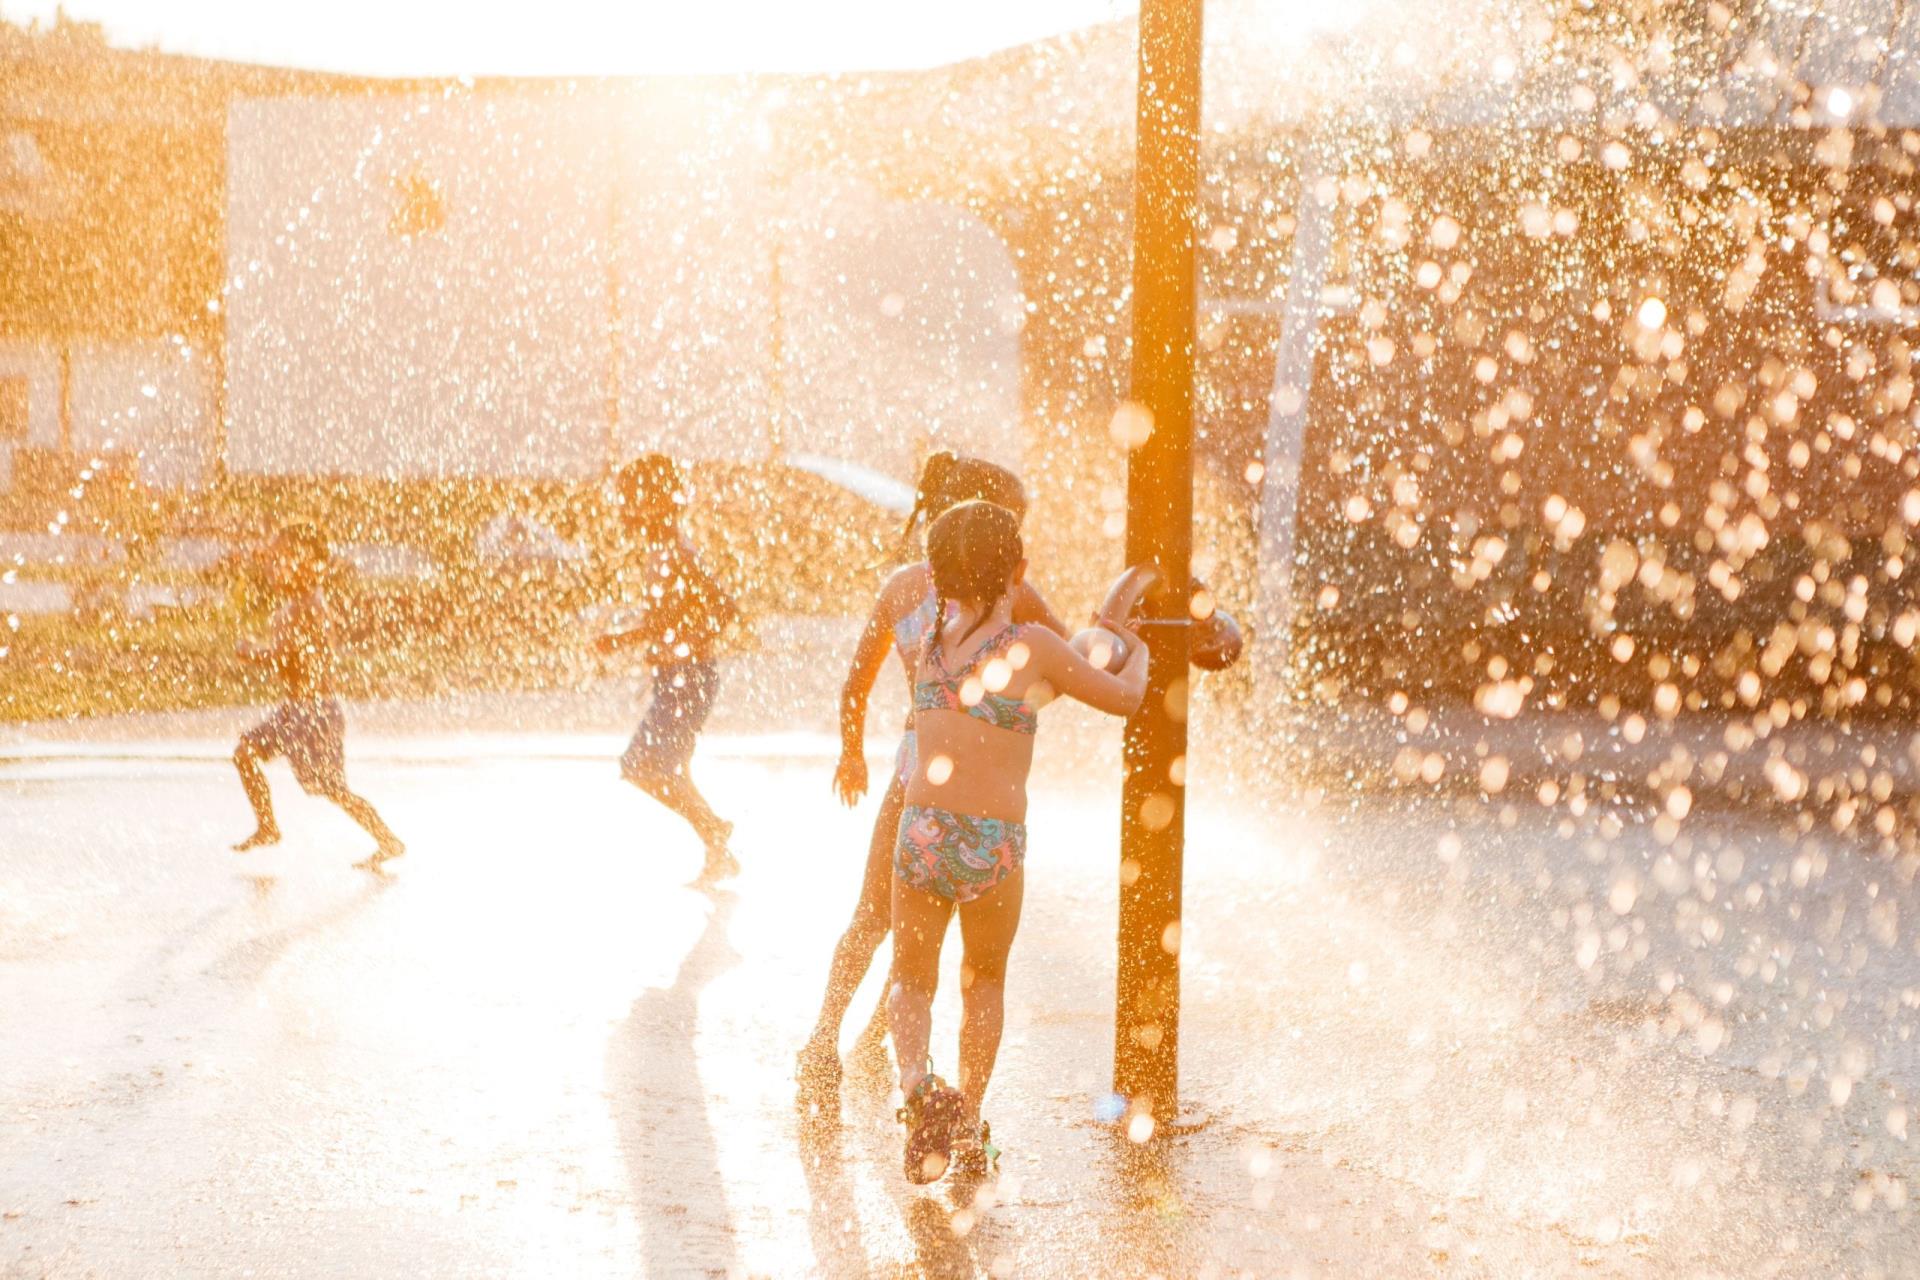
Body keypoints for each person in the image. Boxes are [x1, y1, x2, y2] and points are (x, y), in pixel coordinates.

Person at [890, 500, 1149, 1184]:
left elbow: (991, 702)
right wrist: (1140, 649)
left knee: (911, 981)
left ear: (938, 576)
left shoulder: (927, 645)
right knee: (984, 984)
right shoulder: (1032, 647)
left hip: (920, 831)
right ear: (1019, 571)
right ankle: (969, 1122)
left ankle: (919, 1091)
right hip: (991, 843)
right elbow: (1121, 697)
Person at [797, 453, 1067, 1097]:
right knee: (962, 957)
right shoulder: (1013, 590)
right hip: (977, 787)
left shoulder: (899, 587)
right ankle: (876, 1053)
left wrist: (851, 753)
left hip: (912, 770)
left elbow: (854, 682)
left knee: (878, 918)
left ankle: (824, 1041)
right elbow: (1070, 656)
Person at [593, 454, 743, 885]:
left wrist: (633, 641)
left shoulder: (675, 552)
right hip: (679, 677)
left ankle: (714, 830)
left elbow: (719, 607)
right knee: (665, 769)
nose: (623, 509)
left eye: (630, 500)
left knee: (642, 765)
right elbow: (693, 612)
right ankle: (716, 846)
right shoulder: (667, 549)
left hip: (687, 678)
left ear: (655, 502)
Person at [231, 522, 404, 870]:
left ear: (311, 563)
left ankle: (388, 841)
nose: (273, 566)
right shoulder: (296, 603)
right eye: (273, 558)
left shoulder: (307, 606)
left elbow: (287, 660)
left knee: (334, 790)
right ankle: (268, 827)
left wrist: (252, 652)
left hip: (316, 713)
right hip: (295, 709)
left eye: (282, 558)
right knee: (245, 752)